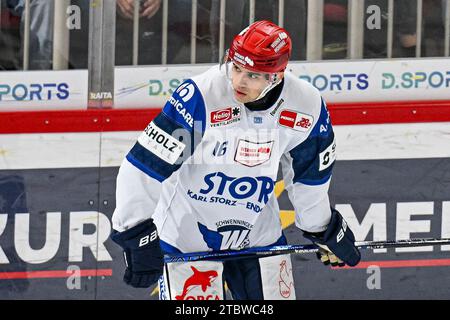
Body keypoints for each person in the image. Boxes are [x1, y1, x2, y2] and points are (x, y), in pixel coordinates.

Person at [110, 20, 361, 300]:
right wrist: (135, 232)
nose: (239, 80)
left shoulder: (307, 105)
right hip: (186, 233)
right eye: (236, 67)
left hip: (257, 233)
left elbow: (309, 176)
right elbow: (145, 165)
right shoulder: (201, 95)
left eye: (253, 75)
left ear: (276, 76)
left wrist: (321, 229)